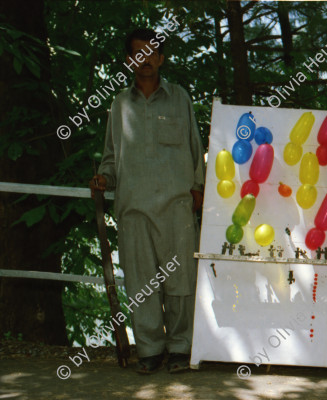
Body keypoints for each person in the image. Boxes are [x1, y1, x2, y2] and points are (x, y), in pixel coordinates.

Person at [89, 28, 205, 374]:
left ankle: (182, 347)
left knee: (181, 280)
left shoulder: (180, 97)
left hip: (176, 207)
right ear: (130, 60)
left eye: (152, 53)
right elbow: (111, 156)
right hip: (133, 207)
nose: (145, 60)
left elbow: (195, 147)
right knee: (141, 282)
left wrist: (198, 188)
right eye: (138, 54)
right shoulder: (120, 104)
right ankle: (150, 350)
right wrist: (104, 177)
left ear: (161, 58)